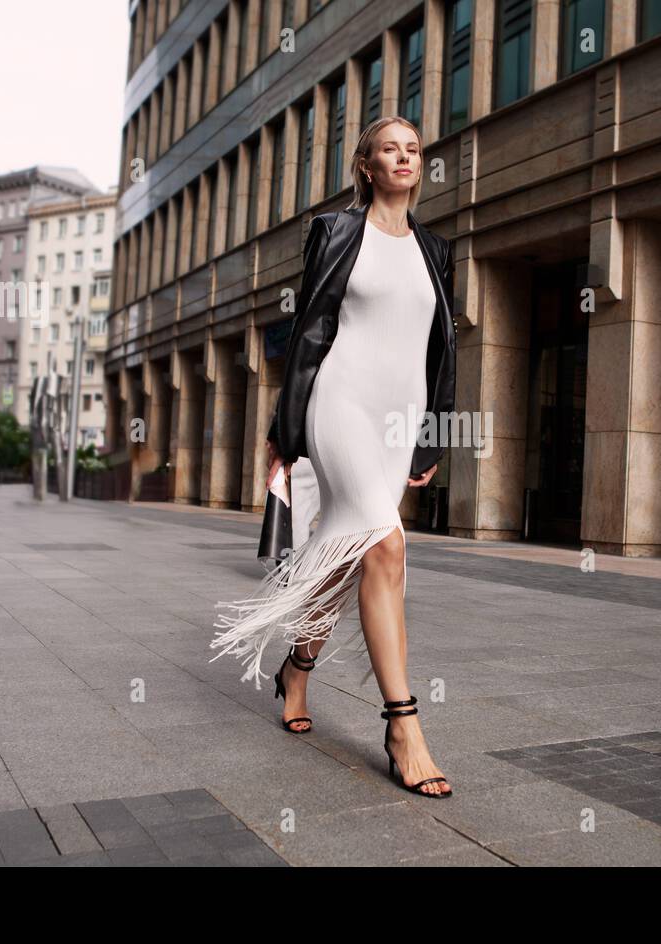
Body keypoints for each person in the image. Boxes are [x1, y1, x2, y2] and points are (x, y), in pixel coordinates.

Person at [211, 116, 457, 798]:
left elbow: (440, 353)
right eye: (389, 149)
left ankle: (297, 667)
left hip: (398, 417)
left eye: (412, 150)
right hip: (341, 402)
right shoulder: (337, 232)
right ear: (366, 166)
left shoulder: (437, 249)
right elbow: (311, 333)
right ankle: (402, 724)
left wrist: (432, 433)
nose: (403, 158)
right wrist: (284, 429)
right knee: (387, 546)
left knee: (353, 555)